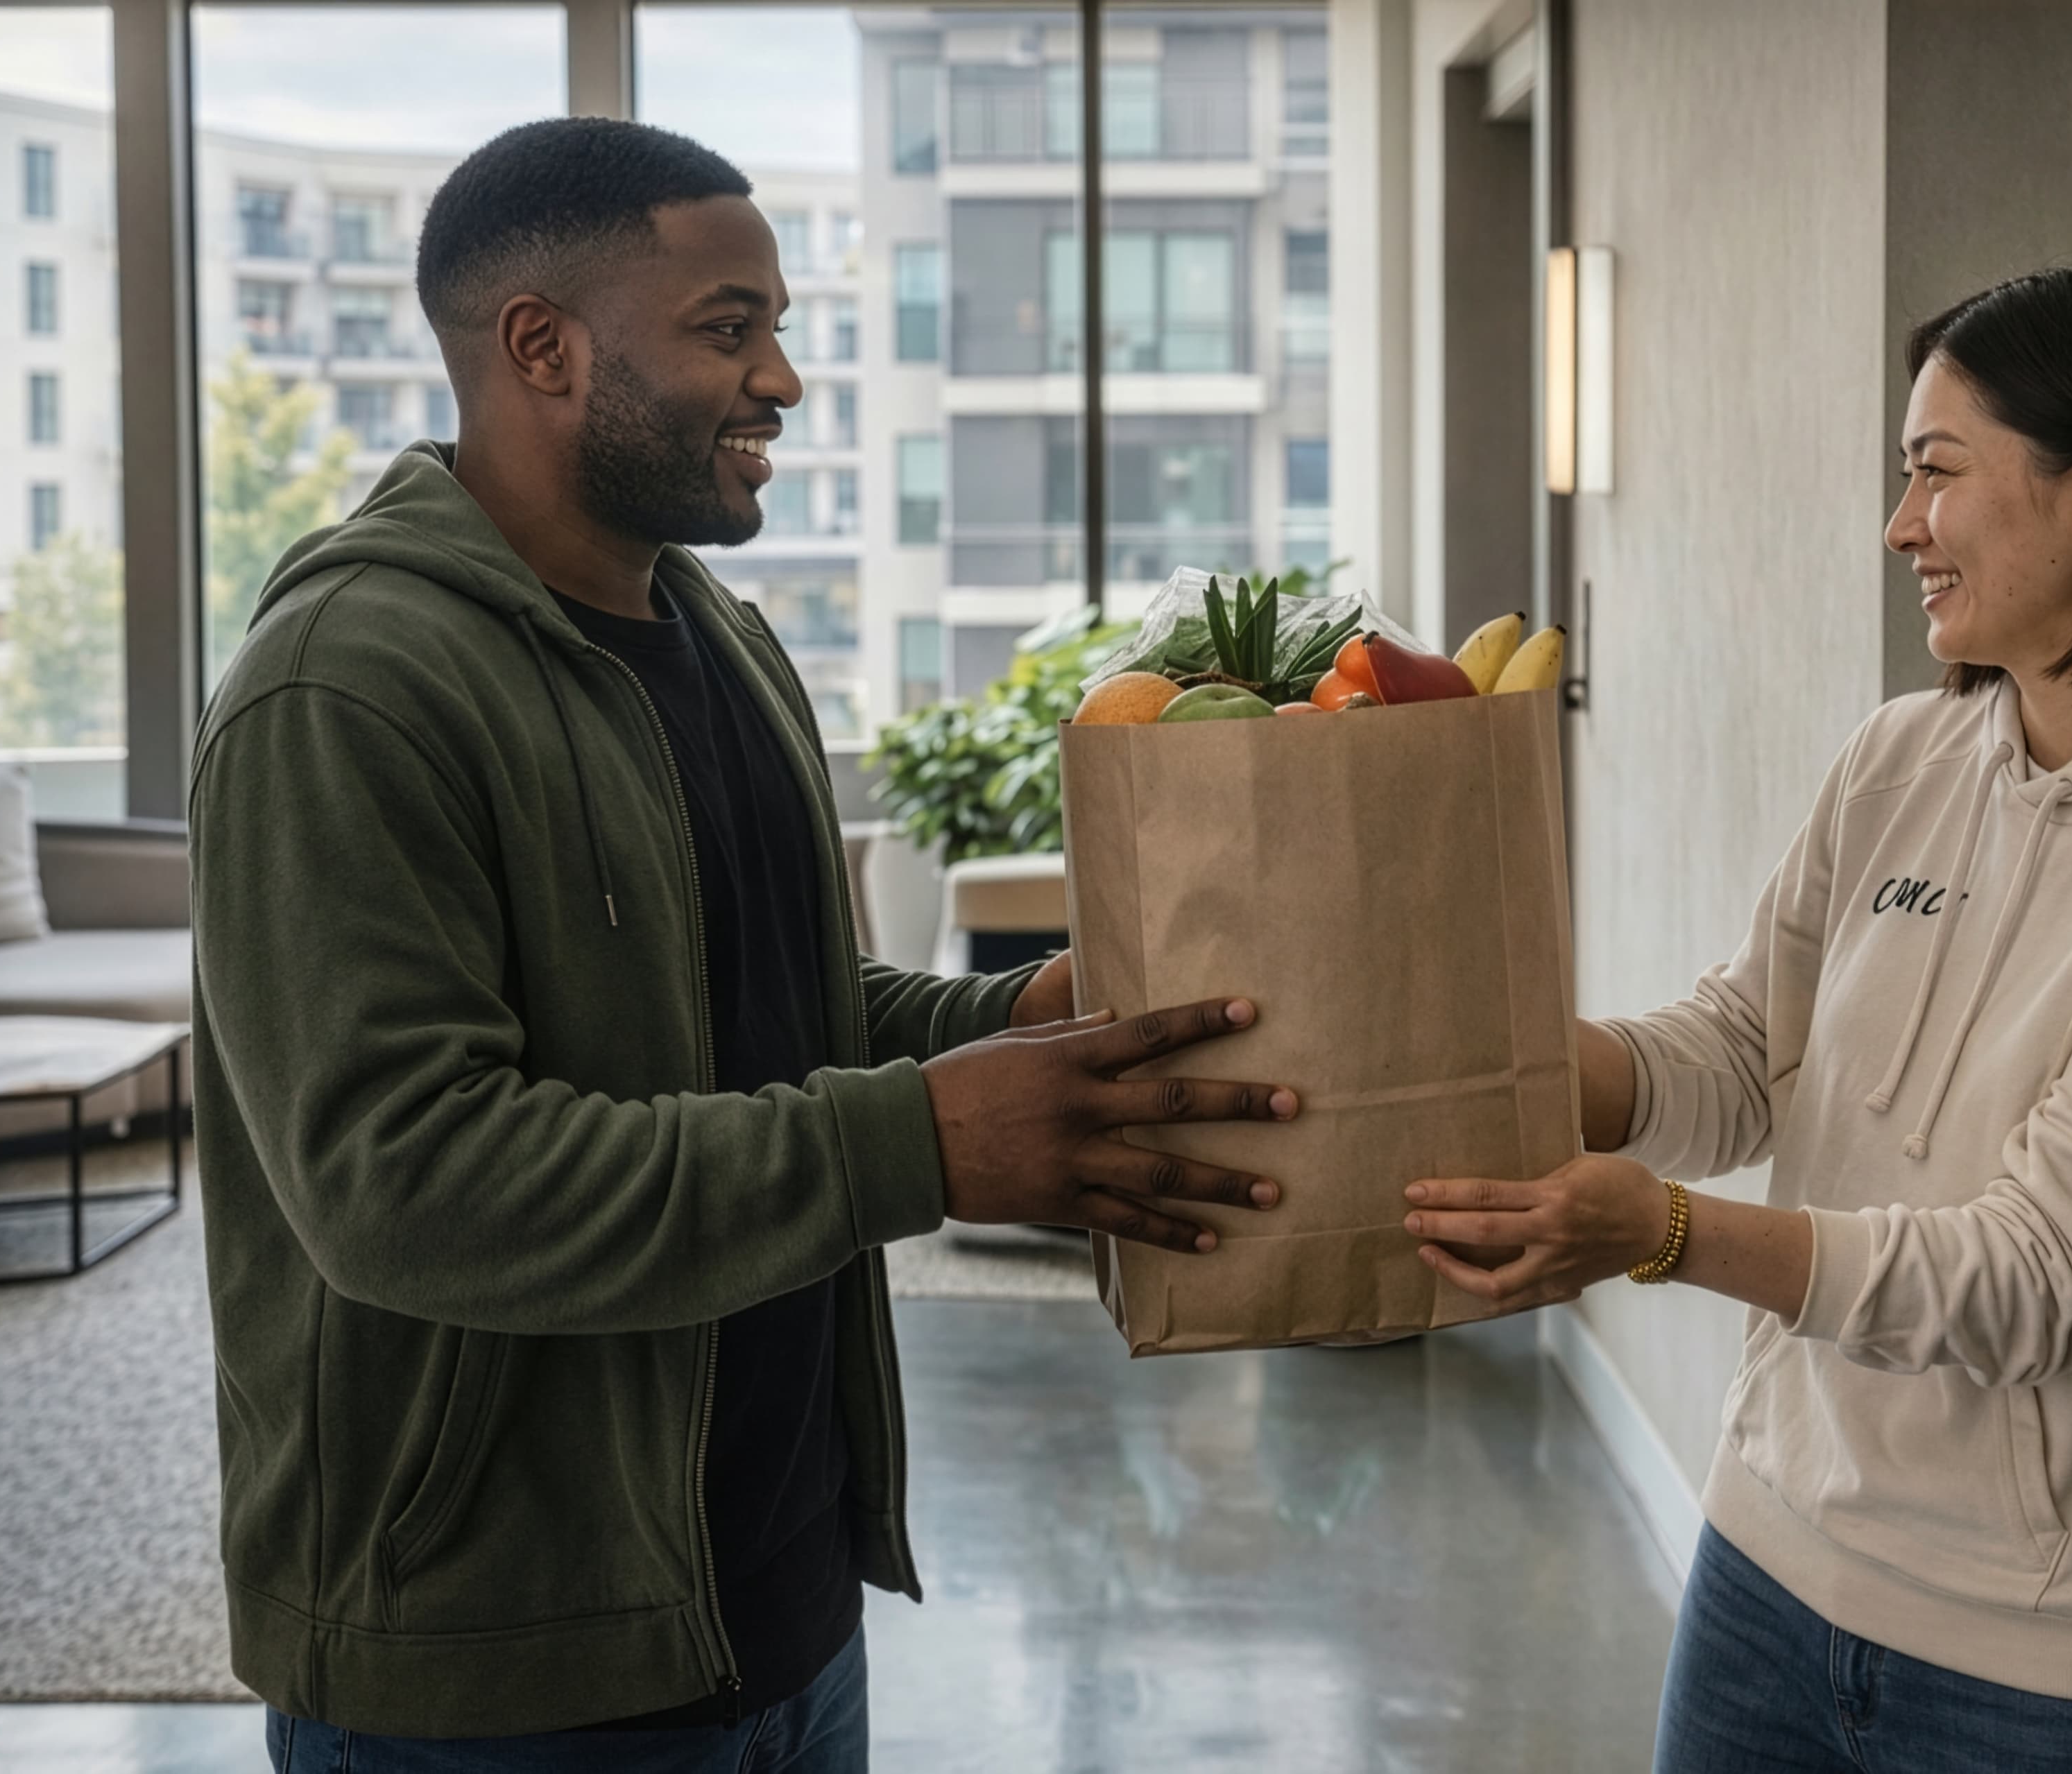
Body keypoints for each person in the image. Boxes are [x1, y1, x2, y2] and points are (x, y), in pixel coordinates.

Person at [190, 117, 1295, 1772]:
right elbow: (403, 1183)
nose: (782, 380)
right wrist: (920, 1141)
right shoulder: (345, 687)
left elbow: (774, 1008)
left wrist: (1019, 1015)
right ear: (541, 348)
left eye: (779, 329)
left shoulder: (720, 636)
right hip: (503, 1672)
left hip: (776, 1609)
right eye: (730, 328)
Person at [1407, 266, 2072, 1771]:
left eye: (1936, 473)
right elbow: (1744, 1048)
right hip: (1766, 1572)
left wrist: (1664, 1236)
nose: (1898, 526)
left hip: (2055, 1676)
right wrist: (1499, 1064)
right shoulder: (1902, 757)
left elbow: (2045, 1271)